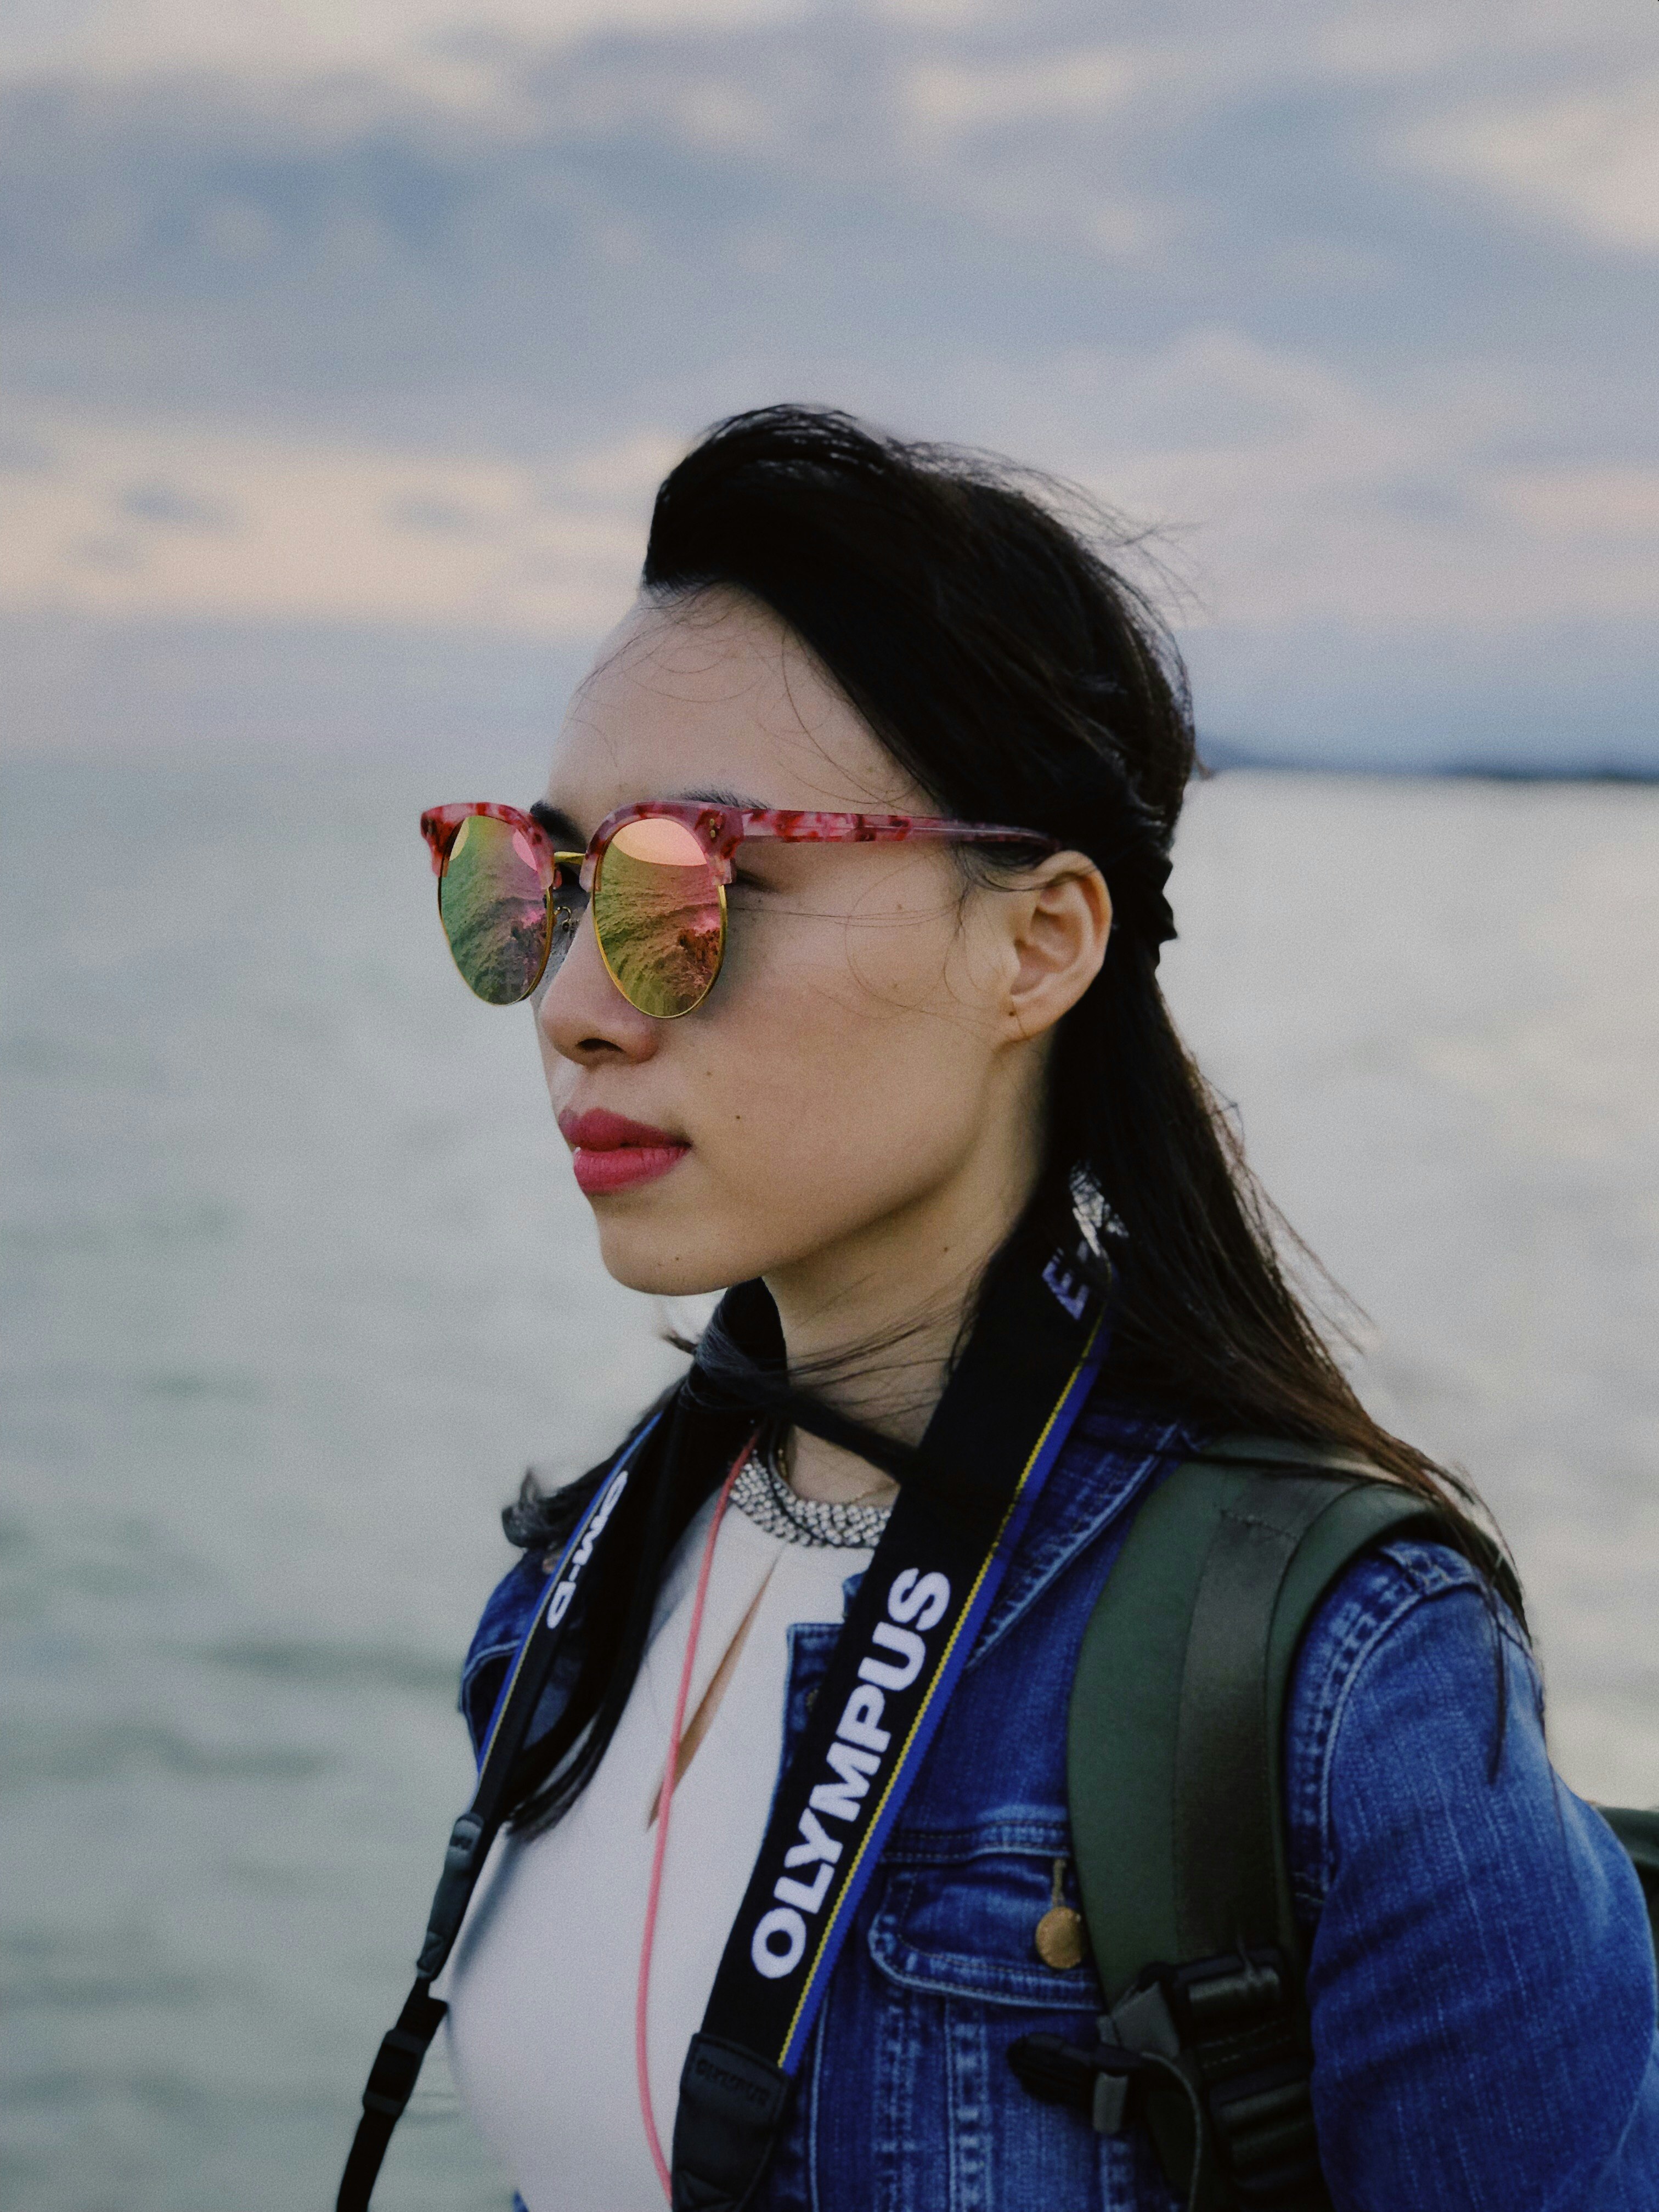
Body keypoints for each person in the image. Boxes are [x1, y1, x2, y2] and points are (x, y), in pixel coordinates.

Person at [422, 407, 1658, 2210]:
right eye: (538, 889)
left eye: (690, 888)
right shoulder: (569, 1594)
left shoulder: (1344, 1687)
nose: (575, 1008)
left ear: (1040, 944)